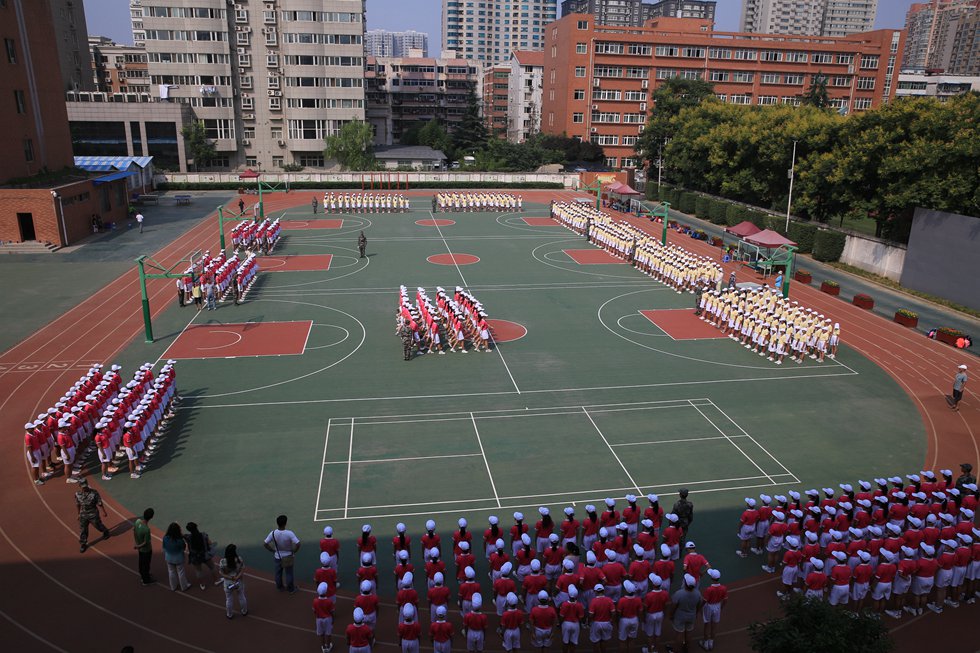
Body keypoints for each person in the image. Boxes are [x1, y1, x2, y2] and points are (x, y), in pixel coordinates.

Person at [265, 514, 301, 593]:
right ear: (285, 523)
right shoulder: (289, 533)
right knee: (289, 573)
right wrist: (294, 551)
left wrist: (272, 550)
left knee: (278, 573)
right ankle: (290, 589)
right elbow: (298, 544)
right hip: (288, 556)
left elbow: (265, 543)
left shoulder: (273, 533)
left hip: (277, 556)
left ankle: (280, 587)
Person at [668, 574, 702, 653]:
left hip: (680, 616)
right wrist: (696, 613)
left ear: (686, 584)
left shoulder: (679, 594)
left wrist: (671, 615)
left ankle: (676, 650)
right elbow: (699, 604)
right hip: (691, 616)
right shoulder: (698, 593)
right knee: (689, 633)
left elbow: (673, 606)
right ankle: (687, 648)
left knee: (679, 634)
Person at [75, 477, 110, 553]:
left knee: (98, 525)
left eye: (85, 486)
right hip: (83, 514)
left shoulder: (94, 492)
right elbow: (78, 504)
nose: (85, 488)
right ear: (79, 486)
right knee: (83, 529)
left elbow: (99, 502)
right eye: (83, 486)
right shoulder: (77, 494)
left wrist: (104, 511)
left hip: (93, 513)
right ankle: (83, 543)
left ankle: (105, 531)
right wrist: (78, 514)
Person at [185, 521, 220, 590]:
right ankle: (216, 580)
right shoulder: (203, 535)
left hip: (195, 556)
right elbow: (210, 543)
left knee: (198, 571)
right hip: (205, 555)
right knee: (212, 567)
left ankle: (202, 584)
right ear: (196, 527)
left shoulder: (188, 537)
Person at [219, 543, 248, 619]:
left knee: (229, 599)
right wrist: (237, 577)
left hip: (228, 582)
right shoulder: (239, 559)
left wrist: (231, 577)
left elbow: (221, 573)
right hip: (238, 581)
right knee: (241, 596)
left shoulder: (223, 561)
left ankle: (229, 614)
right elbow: (242, 569)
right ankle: (244, 611)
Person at [162, 522, 192, 592]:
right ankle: (184, 586)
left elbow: (164, 547)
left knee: (171, 572)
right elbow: (183, 548)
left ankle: (173, 586)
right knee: (181, 572)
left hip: (169, 557)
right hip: (178, 558)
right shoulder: (179, 540)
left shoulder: (165, 538)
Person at [134, 508, 155, 585]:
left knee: (141, 562)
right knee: (146, 564)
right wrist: (138, 546)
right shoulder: (146, 529)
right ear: (151, 517)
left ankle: (143, 575)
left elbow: (134, 531)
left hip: (140, 548)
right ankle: (146, 580)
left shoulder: (137, 522)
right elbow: (146, 542)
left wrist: (137, 543)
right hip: (146, 549)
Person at [314, 582, 336, 653]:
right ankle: (328, 646)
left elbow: (314, 611)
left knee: (321, 634)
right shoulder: (329, 601)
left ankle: (323, 647)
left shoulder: (315, 601)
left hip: (319, 619)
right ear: (326, 591)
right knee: (328, 633)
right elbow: (332, 612)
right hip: (328, 619)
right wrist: (333, 619)